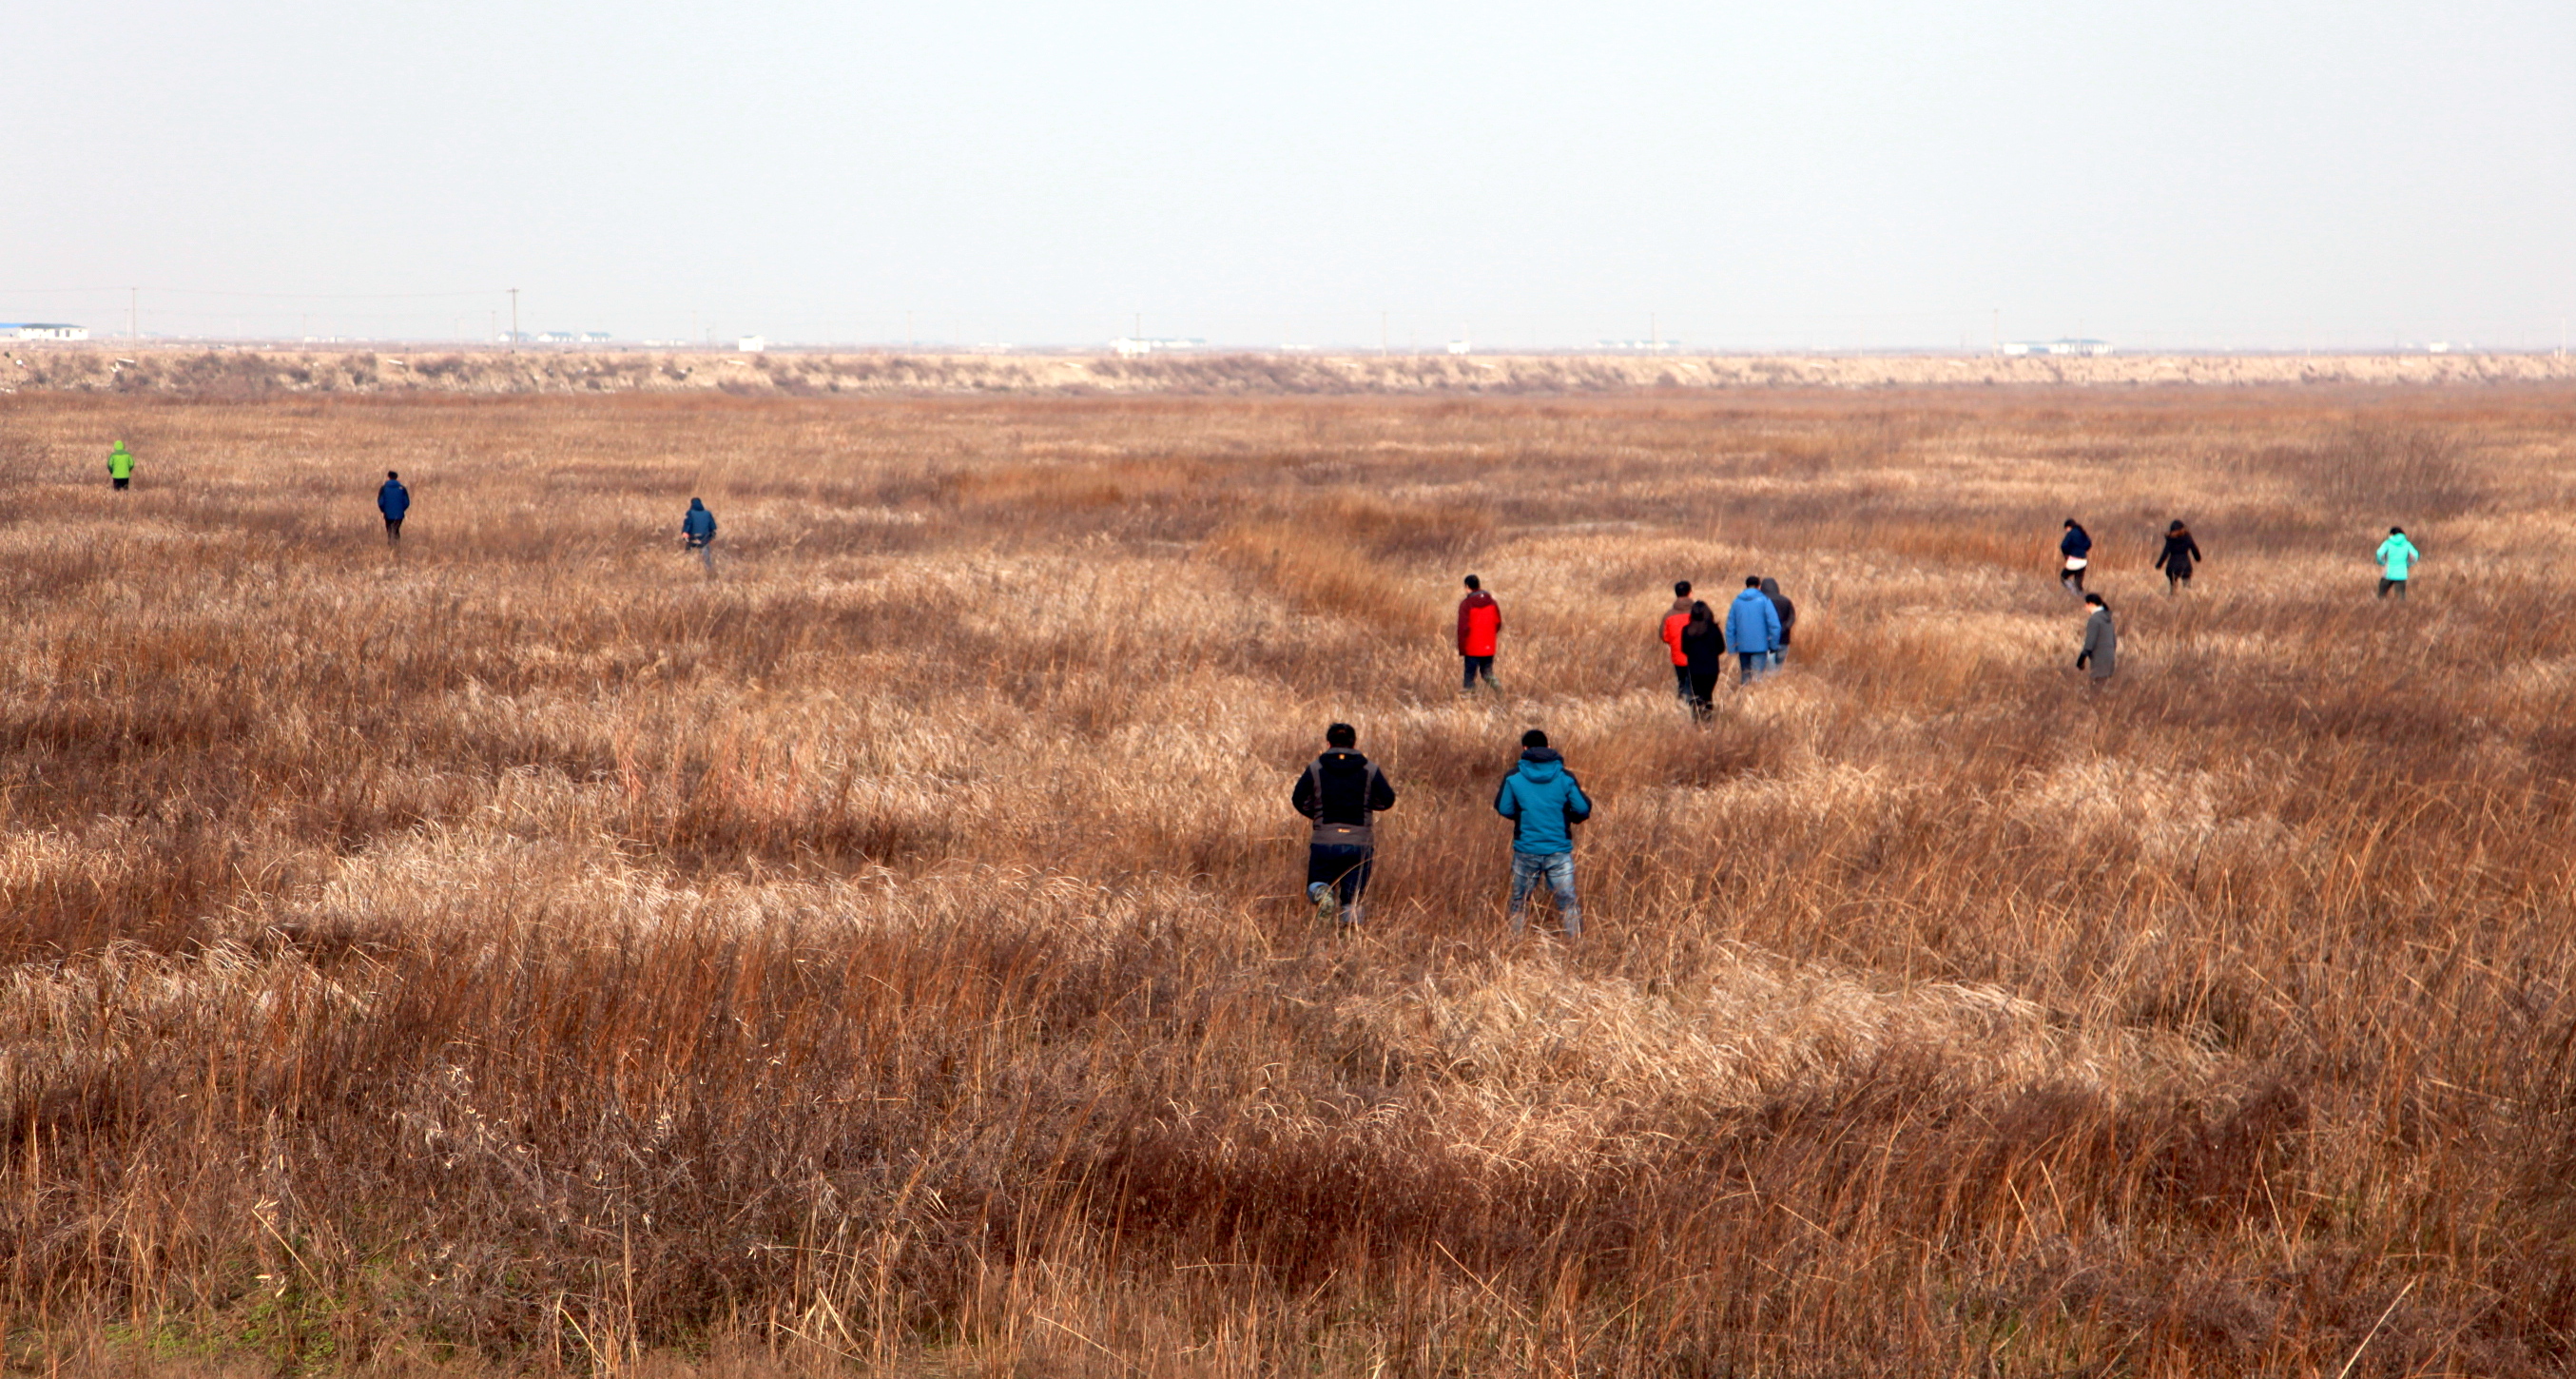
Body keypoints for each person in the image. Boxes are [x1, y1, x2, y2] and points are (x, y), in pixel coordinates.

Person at [1291, 722, 1398, 931]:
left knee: (1318, 884)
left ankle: (1323, 896)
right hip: (1359, 843)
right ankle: (1348, 939)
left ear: (1328, 743)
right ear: (1354, 743)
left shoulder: (1315, 767)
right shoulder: (1369, 768)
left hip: (1324, 841)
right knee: (1353, 897)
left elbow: (1297, 798)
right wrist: (1369, 805)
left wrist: (1315, 816)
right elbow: (1388, 799)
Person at [1495, 729, 1591, 939]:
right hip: (1559, 850)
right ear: (1549, 747)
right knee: (1567, 900)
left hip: (1526, 849)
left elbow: (1504, 808)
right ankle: (1577, 945)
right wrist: (1569, 817)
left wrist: (1524, 815)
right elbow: (1582, 808)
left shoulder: (1514, 777)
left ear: (1524, 749)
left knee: (1520, 901)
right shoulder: (1564, 776)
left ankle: (1515, 945)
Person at [1725, 575, 1781, 685]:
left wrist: (1732, 647)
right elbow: (1775, 626)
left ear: (1746, 586)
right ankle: (1754, 699)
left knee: (1745, 677)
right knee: (1757, 678)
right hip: (1760, 646)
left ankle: (1743, 699)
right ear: (1759, 586)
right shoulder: (1764, 601)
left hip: (1742, 646)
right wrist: (1773, 645)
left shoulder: (1736, 602)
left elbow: (1730, 627)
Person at [1679, 600, 1725, 720]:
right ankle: (1707, 719)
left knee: (1696, 695)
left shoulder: (1687, 630)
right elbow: (1721, 648)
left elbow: (1684, 649)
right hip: (1711, 669)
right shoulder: (1713, 629)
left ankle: (1697, 719)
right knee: (1707, 694)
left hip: (1694, 668)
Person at [1458, 574, 1501, 692]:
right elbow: (1498, 623)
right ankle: (1499, 691)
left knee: (1469, 677)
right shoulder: (1492, 602)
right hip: (1489, 646)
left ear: (1467, 587)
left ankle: (1470, 700)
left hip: (1472, 647)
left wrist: (1462, 648)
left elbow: (1463, 628)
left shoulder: (1466, 605)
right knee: (1487, 674)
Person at [1659, 581, 1695, 700]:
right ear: (1690, 593)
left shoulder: (1669, 615)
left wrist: (1674, 641)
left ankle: (1681, 706)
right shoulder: (1698, 613)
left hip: (1677, 655)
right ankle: (1692, 709)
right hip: (1696, 655)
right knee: (1694, 684)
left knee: (1682, 683)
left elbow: (1664, 636)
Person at [2076, 592, 2116, 689]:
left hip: (2099, 658)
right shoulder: (2108, 619)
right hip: (2110, 657)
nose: (2085, 607)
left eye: (2086, 604)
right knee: (2105, 686)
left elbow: (2090, 640)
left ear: (2091, 604)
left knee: (2096, 689)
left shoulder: (2094, 619)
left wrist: (2082, 657)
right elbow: (2114, 640)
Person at [2154, 521, 2202, 593]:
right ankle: (2187, 600)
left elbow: (2165, 553)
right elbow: (2194, 549)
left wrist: (2159, 565)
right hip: (2185, 565)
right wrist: (2198, 558)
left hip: (2172, 565)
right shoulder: (2187, 537)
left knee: (2173, 587)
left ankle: (2173, 599)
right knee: (2187, 586)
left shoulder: (2170, 539)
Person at [1759, 576, 1795, 670]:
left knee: (1768, 671)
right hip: (1784, 640)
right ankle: (1777, 683)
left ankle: (1771, 684)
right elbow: (1792, 618)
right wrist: (1783, 629)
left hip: (1767, 640)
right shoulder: (1786, 601)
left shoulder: (1760, 601)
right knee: (1778, 669)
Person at [2376, 526, 2421, 600]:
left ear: (2391, 534)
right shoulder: (2407, 544)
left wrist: (2382, 562)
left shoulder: (2388, 543)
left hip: (2388, 572)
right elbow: (2415, 555)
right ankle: (2400, 610)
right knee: (2400, 598)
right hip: (2402, 573)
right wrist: (2407, 564)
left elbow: (2379, 553)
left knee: (2381, 595)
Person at [682, 497, 718, 574]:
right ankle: (709, 571)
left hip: (693, 538)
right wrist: (711, 537)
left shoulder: (690, 513)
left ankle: (686, 570)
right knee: (706, 557)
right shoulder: (708, 513)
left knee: (688, 554)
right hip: (705, 538)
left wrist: (685, 533)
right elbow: (713, 527)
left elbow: (688, 524)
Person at [2060, 518, 2092, 594]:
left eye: (2066, 529)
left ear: (2068, 527)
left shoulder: (2070, 533)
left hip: (2074, 561)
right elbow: (2089, 544)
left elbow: (2063, 545)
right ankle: (2080, 597)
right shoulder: (2082, 532)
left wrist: (2066, 554)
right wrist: (2082, 550)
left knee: (2063, 578)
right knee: (2078, 583)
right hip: (2083, 561)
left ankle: (2073, 591)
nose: (2066, 531)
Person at [378, 471, 410, 542]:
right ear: (396, 478)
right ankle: (397, 547)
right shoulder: (402, 488)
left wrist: (384, 510)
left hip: (388, 514)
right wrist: (401, 509)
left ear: (388, 477)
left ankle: (391, 547)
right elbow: (407, 502)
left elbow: (380, 502)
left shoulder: (383, 488)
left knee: (390, 531)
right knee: (396, 530)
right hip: (399, 515)